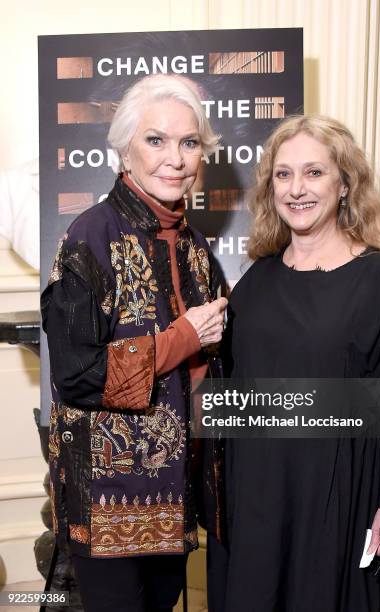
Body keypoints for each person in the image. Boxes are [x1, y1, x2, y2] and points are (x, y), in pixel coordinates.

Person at [219, 115, 380, 611]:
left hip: (341, 493)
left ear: (344, 184)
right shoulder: (257, 281)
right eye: (283, 174)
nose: (297, 189)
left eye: (314, 173)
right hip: (258, 493)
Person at [41, 74, 228, 612]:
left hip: (177, 496)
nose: (176, 157)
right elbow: (76, 375)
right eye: (156, 140)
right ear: (125, 150)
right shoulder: (88, 238)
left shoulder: (193, 245)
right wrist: (181, 338)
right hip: (106, 504)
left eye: (189, 142)